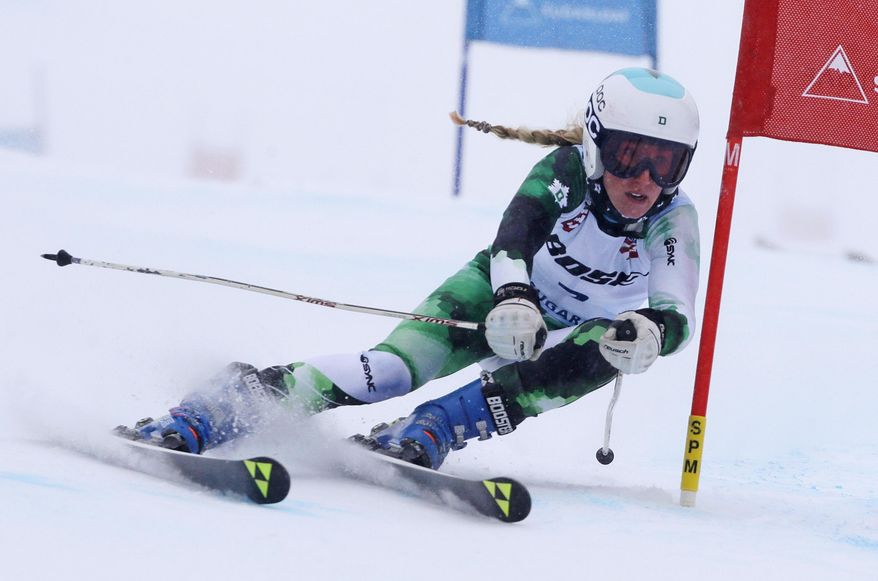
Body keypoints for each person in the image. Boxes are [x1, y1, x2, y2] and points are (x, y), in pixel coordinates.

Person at [121, 67, 701, 470]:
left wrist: (652, 333)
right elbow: (513, 237)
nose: (645, 180)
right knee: (391, 371)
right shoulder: (567, 171)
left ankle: (436, 427)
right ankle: (224, 404)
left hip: (566, 336)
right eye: (630, 155)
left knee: (613, 343)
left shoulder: (673, 217)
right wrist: (515, 297)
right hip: (495, 296)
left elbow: (676, 314)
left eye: (666, 163)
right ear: (598, 144)